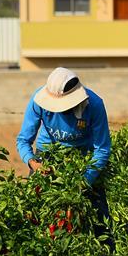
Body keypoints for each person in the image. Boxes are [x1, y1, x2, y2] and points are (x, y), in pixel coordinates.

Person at [16, 67, 112, 244]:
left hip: (84, 160)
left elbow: (102, 149)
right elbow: (23, 140)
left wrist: (84, 181)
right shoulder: (38, 102)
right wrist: (33, 163)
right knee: (34, 214)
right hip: (46, 157)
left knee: (99, 219)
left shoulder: (94, 105)